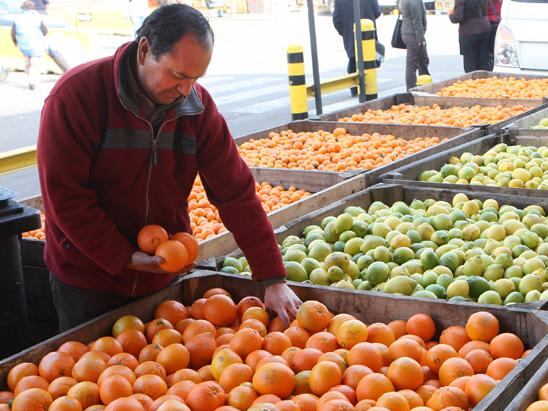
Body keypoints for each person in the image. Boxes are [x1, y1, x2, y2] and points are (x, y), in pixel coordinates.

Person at [37, 4, 301, 330]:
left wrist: (272, 276)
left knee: (166, 373)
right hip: (89, 281)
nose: (186, 90)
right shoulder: (77, 97)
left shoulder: (197, 108)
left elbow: (235, 192)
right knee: (93, 377)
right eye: (177, 75)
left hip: (161, 278)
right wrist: (121, 256)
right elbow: (65, 196)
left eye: (196, 78)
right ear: (145, 50)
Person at [332, 0, 380, 96]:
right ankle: (369, 87)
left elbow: (336, 19)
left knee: (353, 58)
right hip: (368, 31)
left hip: (350, 32)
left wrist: (344, 31)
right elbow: (377, 12)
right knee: (369, 59)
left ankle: (354, 89)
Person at [10, 1, 48, 90]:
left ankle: (30, 78)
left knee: (28, 62)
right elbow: (45, 31)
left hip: (23, 45)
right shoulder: (38, 18)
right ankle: (33, 82)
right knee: (35, 64)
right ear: (33, 8)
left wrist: (15, 42)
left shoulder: (17, 19)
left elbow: (13, 33)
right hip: (36, 44)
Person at [449, 0, 491, 73]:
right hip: (485, 28)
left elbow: (458, 17)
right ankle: (485, 82)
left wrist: (451, 14)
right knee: (484, 61)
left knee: (470, 65)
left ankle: (473, 83)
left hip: (469, 31)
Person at [399, 0, 428, 90]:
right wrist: (420, 39)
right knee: (414, 63)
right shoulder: (414, 1)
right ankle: (412, 88)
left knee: (421, 60)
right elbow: (417, 20)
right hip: (413, 34)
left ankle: (423, 84)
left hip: (407, 32)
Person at [486, 0, 501, 68]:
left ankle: (491, 65)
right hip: (498, 22)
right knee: (495, 47)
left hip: (488, 23)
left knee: (488, 48)